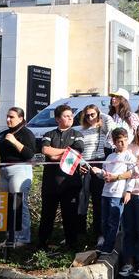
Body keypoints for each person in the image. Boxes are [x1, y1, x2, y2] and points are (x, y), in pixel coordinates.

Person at [38, 105, 85, 251]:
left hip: (70, 183)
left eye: (71, 115)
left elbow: (76, 153)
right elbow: (46, 151)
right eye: (66, 115)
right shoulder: (49, 133)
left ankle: (71, 245)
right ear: (58, 119)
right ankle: (41, 245)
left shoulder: (77, 134)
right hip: (50, 184)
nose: (70, 118)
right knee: (47, 216)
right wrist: (67, 151)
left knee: (70, 216)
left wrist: (58, 154)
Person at [0, 107, 35, 246]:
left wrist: (14, 142)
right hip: (4, 170)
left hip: (19, 169)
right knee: (6, 205)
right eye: (7, 116)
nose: (8, 119)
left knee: (19, 204)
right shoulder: (5, 133)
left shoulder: (26, 133)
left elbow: (30, 154)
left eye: (11, 117)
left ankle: (23, 238)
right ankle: (9, 238)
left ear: (20, 118)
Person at [94, 128, 135, 254]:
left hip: (117, 194)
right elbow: (105, 173)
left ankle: (109, 247)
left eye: (124, 141)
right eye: (118, 141)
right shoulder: (110, 156)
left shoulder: (129, 156)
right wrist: (99, 172)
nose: (121, 144)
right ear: (114, 142)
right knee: (104, 220)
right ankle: (106, 243)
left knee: (114, 222)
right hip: (106, 192)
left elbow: (132, 174)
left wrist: (128, 191)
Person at [119, 130, 139, 278]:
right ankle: (129, 263)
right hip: (127, 193)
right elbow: (128, 170)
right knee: (128, 229)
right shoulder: (129, 148)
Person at [79, 104, 110, 246]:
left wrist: (100, 115)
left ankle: (100, 233)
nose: (90, 117)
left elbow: (110, 123)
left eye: (93, 114)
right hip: (85, 165)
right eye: (87, 115)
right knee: (82, 200)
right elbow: (79, 151)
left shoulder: (103, 129)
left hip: (98, 164)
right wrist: (81, 165)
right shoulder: (81, 131)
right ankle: (81, 232)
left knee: (98, 202)